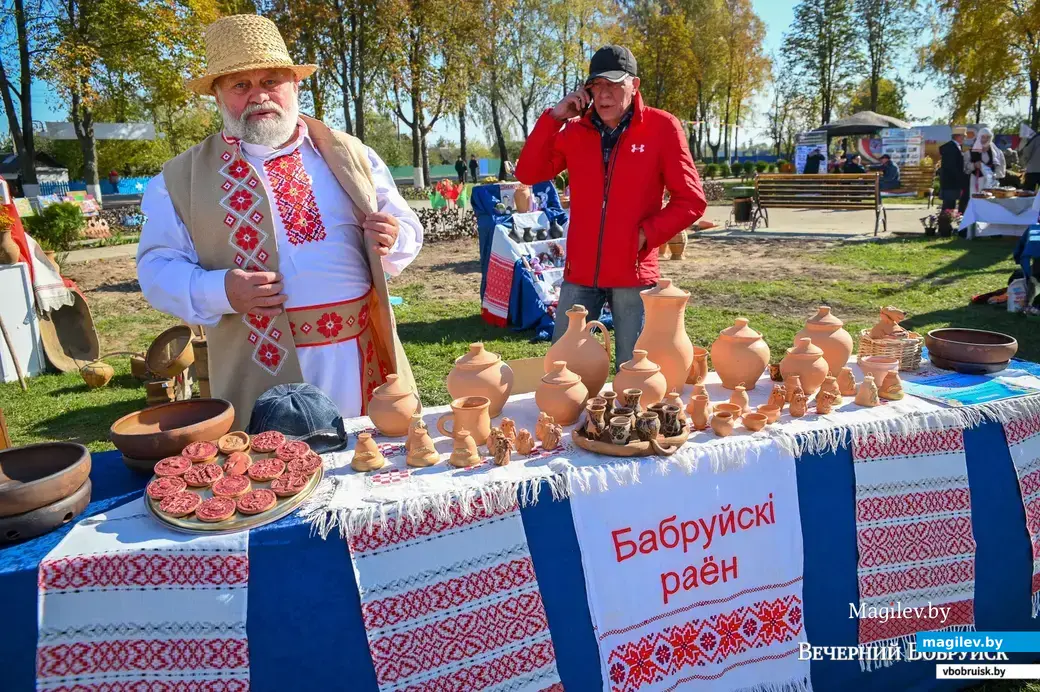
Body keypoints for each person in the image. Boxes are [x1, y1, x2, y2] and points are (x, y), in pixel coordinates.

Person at [136, 15, 423, 429]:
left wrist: (392, 238)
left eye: (271, 81)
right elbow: (156, 268)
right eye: (240, 85)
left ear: (295, 84)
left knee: (372, 463)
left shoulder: (349, 153)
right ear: (217, 96)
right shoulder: (180, 179)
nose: (259, 96)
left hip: (361, 358)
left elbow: (405, 227)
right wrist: (221, 290)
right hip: (259, 368)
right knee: (280, 480)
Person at [515, 44, 706, 368]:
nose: (604, 94)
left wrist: (646, 234)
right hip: (580, 272)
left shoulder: (662, 128)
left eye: (614, 85)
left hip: (633, 272)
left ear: (635, 85)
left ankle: (627, 419)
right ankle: (570, 420)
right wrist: (554, 117)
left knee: (634, 372)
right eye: (597, 86)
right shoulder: (575, 132)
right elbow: (528, 172)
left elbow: (691, 199)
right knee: (565, 369)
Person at [965, 127, 1006, 195]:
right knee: (976, 201)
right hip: (976, 182)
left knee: (989, 202)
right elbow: (965, 167)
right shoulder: (970, 152)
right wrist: (974, 165)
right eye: (983, 137)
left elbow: (1001, 168)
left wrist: (994, 175)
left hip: (991, 183)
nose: (985, 139)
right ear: (979, 137)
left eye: (988, 137)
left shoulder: (997, 153)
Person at [938, 127, 968, 211]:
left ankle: (946, 221)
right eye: (963, 136)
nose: (964, 139)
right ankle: (945, 223)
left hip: (950, 181)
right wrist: (961, 178)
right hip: (951, 182)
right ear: (958, 136)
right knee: (949, 206)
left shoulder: (954, 147)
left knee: (950, 204)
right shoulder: (951, 148)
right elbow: (952, 167)